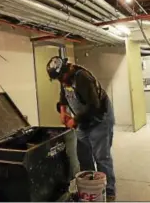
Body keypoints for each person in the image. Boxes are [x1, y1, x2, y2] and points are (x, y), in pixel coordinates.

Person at [46, 56, 116, 200]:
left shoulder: (82, 78)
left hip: (99, 119)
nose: (60, 81)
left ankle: (108, 191)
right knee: (83, 155)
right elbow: (63, 97)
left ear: (66, 70)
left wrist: (75, 120)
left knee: (101, 157)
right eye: (57, 79)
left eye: (60, 77)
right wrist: (63, 111)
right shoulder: (64, 79)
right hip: (83, 121)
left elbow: (94, 106)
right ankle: (89, 187)